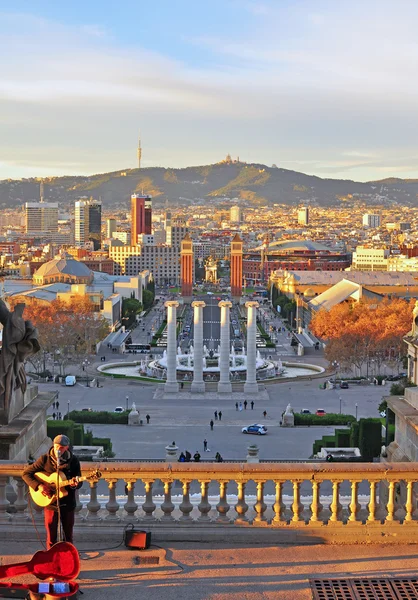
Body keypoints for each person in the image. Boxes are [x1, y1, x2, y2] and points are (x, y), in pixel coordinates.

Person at [22, 434, 82, 549]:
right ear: (53, 446)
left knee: (68, 537)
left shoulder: (73, 461)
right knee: (51, 537)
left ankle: (68, 559)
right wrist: (39, 486)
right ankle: (50, 559)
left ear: (67, 448)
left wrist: (76, 484)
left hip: (68, 504)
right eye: (56, 447)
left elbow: (79, 481)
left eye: (62, 447)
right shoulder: (45, 460)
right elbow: (26, 474)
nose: (58, 449)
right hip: (51, 504)